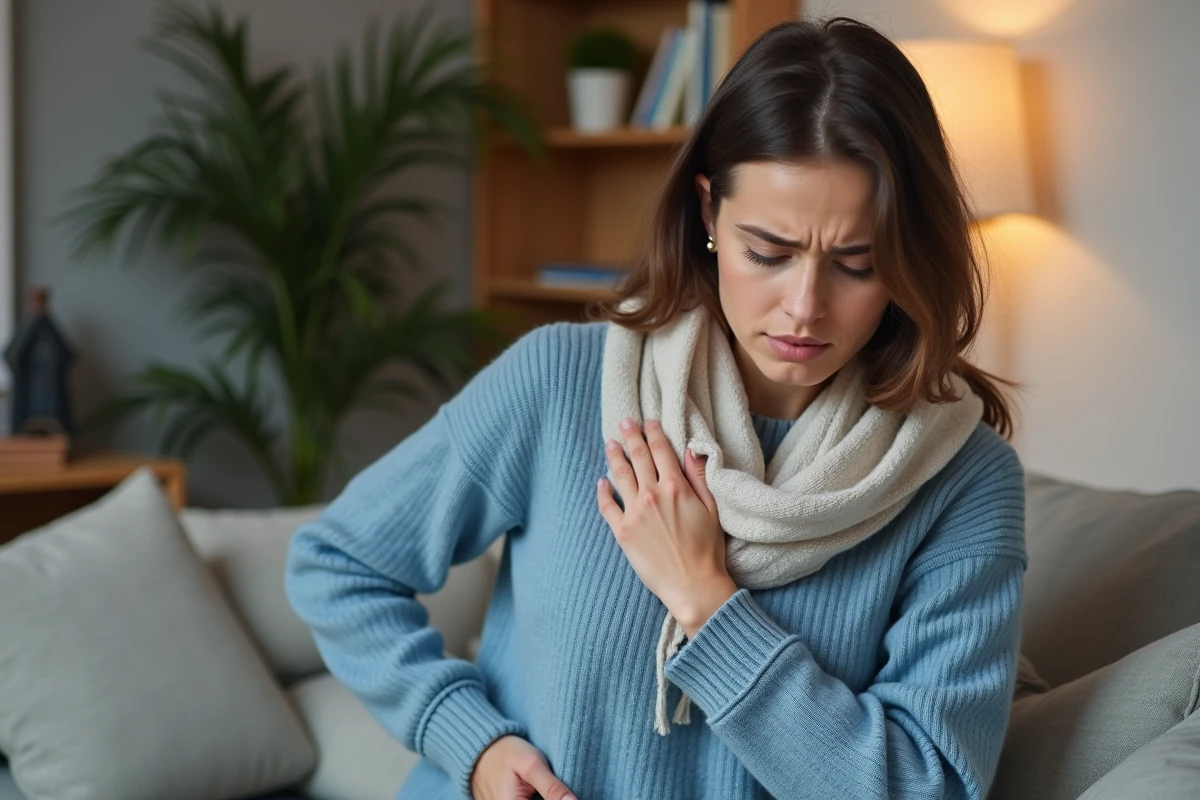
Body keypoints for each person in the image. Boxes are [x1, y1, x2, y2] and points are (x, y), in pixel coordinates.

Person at [285, 15, 1028, 800]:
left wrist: (706, 600)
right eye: (768, 252)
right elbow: (338, 565)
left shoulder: (963, 481)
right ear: (708, 214)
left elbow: (928, 787)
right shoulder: (560, 382)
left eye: (857, 263)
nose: (805, 306)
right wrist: (471, 742)